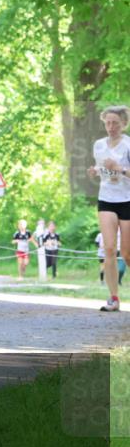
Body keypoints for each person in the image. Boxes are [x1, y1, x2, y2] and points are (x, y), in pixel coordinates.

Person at [88, 105, 130, 311]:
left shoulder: (128, 145)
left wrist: (120, 169)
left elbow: (120, 171)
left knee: (127, 253)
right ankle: (114, 298)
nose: (111, 127)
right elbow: (101, 168)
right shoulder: (98, 145)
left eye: (116, 123)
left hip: (127, 200)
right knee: (110, 249)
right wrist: (95, 171)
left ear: (124, 124)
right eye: (108, 122)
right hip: (106, 198)